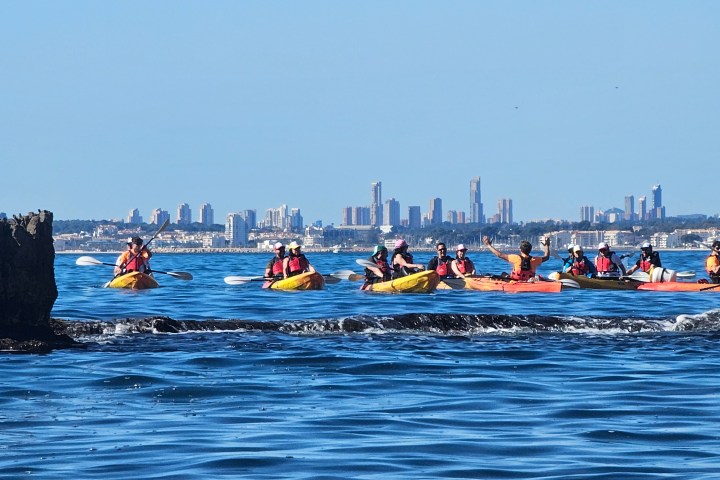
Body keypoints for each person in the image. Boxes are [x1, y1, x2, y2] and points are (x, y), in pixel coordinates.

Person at [482, 236, 550, 281]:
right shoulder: (535, 260)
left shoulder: (515, 258)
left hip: (515, 281)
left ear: (520, 249)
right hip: (529, 280)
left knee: (503, 274)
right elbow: (547, 257)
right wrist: (547, 245)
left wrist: (488, 245)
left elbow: (499, 255)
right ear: (530, 250)